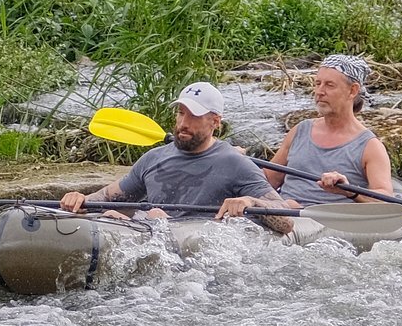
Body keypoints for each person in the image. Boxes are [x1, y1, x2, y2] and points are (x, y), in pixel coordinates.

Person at [59, 82, 294, 235]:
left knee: (155, 215)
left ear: (215, 122)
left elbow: (286, 221)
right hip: (150, 233)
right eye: (181, 113)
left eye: (194, 116)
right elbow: (109, 198)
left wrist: (250, 202)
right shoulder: (153, 158)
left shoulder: (236, 163)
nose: (183, 123)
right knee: (113, 214)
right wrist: (80, 200)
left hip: (195, 249)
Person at [265, 54, 396, 207]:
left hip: (325, 223)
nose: (320, 91)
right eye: (318, 83)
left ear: (352, 91)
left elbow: (385, 198)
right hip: (283, 212)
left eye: (329, 85)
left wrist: (350, 191)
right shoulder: (300, 130)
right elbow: (269, 179)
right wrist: (238, 163)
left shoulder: (370, 147)